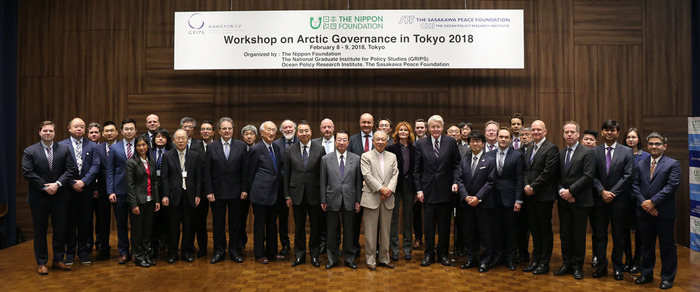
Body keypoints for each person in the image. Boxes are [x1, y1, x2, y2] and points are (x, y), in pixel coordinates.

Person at [22, 121, 76, 275]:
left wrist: (57, 184)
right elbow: (28, 172)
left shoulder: (64, 149)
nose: (48, 133)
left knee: (60, 229)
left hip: (60, 196)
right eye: (45, 131)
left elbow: (70, 170)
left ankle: (58, 259)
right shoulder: (30, 151)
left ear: (54, 133)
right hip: (39, 197)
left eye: (50, 131)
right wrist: (46, 186)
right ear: (39, 132)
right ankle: (42, 262)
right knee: (40, 231)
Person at [631, 132, 680, 290]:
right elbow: (635, 186)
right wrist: (644, 204)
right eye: (651, 144)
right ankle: (646, 273)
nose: (654, 146)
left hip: (663, 213)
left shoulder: (673, 164)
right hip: (644, 213)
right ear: (647, 146)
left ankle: (667, 277)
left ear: (664, 146)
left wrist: (653, 202)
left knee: (667, 246)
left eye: (657, 144)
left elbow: (671, 186)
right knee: (645, 245)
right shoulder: (641, 164)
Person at [414, 115, 461, 267]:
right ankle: (428, 254)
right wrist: (419, 190)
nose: (435, 129)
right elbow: (417, 170)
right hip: (427, 192)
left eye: (438, 127)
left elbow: (457, 165)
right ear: (428, 128)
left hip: (446, 190)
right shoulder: (421, 143)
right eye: (432, 127)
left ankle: (443, 254)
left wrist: (455, 182)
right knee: (428, 226)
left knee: (444, 225)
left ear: (442, 127)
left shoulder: (450, 142)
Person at [592, 120, 634, 280]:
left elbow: (628, 175)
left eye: (613, 130)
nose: (609, 132)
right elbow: (592, 175)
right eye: (606, 130)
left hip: (619, 201)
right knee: (600, 235)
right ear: (602, 132)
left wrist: (612, 193)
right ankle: (602, 266)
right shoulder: (594, 152)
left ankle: (618, 266)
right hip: (600, 200)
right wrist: (602, 191)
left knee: (619, 235)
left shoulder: (626, 151)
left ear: (617, 132)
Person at [554, 121, 595, 280]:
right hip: (564, 200)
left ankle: (577, 266)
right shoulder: (560, 153)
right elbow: (556, 176)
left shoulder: (587, 152)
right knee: (565, 233)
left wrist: (571, 191)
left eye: (572, 132)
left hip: (580, 200)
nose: (569, 134)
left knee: (578, 235)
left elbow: (588, 176)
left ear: (578, 134)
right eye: (566, 132)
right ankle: (566, 263)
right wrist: (561, 191)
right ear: (563, 134)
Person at [205, 118, 248, 264]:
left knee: (235, 223)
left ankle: (235, 251)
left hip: (236, 192)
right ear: (218, 131)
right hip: (217, 192)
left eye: (229, 128)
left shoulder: (241, 146)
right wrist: (209, 191)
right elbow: (207, 171)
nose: (227, 131)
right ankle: (219, 251)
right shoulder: (211, 147)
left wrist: (244, 189)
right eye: (224, 128)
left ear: (233, 129)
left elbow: (245, 171)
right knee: (218, 223)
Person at [283, 121, 324, 267]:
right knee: (299, 227)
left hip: (315, 194)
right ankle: (299, 255)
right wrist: (287, 195)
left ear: (311, 132)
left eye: (306, 130)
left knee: (315, 227)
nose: (304, 133)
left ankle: (314, 256)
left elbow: (322, 174)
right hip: (296, 195)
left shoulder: (320, 149)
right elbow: (286, 174)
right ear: (297, 133)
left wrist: (323, 196)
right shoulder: (290, 150)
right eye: (301, 131)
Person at [60, 118, 100, 266]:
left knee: (85, 221)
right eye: (76, 126)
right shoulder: (61, 145)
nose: (79, 129)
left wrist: (84, 181)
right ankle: (70, 252)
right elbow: (60, 167)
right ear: (69, 128)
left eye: (82, 127)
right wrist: (71, 182)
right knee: (69, 222)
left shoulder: (92, 145)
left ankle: (83, 251)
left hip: (86, 189)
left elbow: (96, 165)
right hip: (68, 190)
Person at [320, 130, 362, 269]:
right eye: (339, 139)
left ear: (348, 142)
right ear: (335, 141)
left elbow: (357, 182)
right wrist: (323, 199)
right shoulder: (326, 159)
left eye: (344, 140)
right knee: (331, 232)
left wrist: (358, 200)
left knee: (349, 231)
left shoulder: (356, 158)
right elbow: (323, 181)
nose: (342, 142)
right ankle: (332, 259)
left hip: (350, 199)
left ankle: (349, 258)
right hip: (332, 199)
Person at [245, 121, 286, 264]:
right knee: (259, 225)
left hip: (275, 193)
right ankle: (259, 254)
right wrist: (248, 191)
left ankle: (272, 252)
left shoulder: (276, 147)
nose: (272, 132)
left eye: (274, 130)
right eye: (269, 130)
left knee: (272, 224)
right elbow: (250, 173)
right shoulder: (256, 149)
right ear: (261, 133)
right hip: (260, 194)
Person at [456, 130, 496, 273]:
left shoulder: (490, 160)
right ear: (469, 143)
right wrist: (466, 196)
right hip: (467, 204)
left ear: (483, 143)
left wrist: (478, 197)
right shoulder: (465, 159)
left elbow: (491, 182)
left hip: (483, 204)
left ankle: (485, 261)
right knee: (469, 233)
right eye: (472, 141)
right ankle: (470, 259)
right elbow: (459, 180)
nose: (475, 143)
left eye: (478, 141)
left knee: (485, 234)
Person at [522, 120, 559, 275]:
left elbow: (548, 172)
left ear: (545, 131)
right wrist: (526, 185)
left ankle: (544, 263)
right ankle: (535, 260)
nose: (535, 132)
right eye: (534, 130)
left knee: (544, 230)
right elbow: (525, 171)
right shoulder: (530, 149)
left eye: (539, 130)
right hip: (530, 196)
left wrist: (533, 187)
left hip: (543, 196)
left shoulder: (551, 148)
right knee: (535, 230)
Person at [161, 129, 202, 263]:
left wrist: (197, 194)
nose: (180, 141)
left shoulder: (194, 156)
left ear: (187, 139)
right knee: (173, 226)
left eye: (183, 138)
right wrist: (165, 195)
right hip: (173, 196)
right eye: (177, 138)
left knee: (189, 226)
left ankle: (187, 252)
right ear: (173, 141)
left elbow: (198, 178)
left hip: (189, 195)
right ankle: (172, 253)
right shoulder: (167, 156)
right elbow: (164, 178)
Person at [360, 130, 398, 270]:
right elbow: (367, 175)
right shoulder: (365, 156)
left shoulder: (392, 157)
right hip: (371, 198)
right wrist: (381, 189)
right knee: (370, 232)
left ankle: (384, 258)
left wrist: (388, 191)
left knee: (386, 231)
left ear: (387, 142)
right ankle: (371, 260)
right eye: (378, 139)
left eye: (383, 139)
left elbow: (395, 175)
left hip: (387, 199)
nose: (380, 142)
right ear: (373, 141)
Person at [489, 127, 523, 271]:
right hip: (492, 198)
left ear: (510, 139)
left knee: (511, 230)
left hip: (510, 199)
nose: (503, 139)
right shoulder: (489, 155)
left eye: (506, 137)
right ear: (496, 138)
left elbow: (519, 179)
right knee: (495, 229)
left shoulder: (517, 155)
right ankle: (497, 257)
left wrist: (519, 200)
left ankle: (510, 258)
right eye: (501, 137)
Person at [106, 118, 139, 264]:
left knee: (136, 223)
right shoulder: (115, 148)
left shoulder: (142, 145)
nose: (129, 131)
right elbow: (110, 171)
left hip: (138, 192)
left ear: (136, 131)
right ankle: (124, 252)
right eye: (126, 129)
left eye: (132, 129)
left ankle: (136, 252)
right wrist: (110, 191)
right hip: (119, 191)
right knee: (121, 224)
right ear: (121, 131)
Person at [126, 136, 161, 267]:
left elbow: (155, 182)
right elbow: (130, 185)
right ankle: (139, 256)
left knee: (147, 230)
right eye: (139, 145)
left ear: (148, 146)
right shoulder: (131, 162)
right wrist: (133, 204)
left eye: (144, 145)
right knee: (137, 232)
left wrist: (156, 199)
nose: (141, 147)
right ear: (135, 147)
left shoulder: (151, 161)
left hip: (150, 200)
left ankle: (146, 255)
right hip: (138, 202)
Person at [387, 121, 416, 261]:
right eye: (401, 130)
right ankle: (394, 249)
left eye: (406, 130)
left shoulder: (415, 149)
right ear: (397, 133)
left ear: (410, 133)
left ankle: (407, 248)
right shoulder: (391, 149)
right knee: (394, 218)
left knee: (408, 218)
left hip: (409, 187)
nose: (403, 132)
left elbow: (417, 171)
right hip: (394, 186)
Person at [623, 127, 651, 274]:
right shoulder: (621, 153)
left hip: (639, 199)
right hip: (623, 199)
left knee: (640, 231)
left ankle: (637, 260)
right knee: (624, 230)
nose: (631, 140)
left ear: (638, 139)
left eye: (633, 137)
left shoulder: (646, 156)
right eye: (628, 137)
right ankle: (627, 260)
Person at [348, 113, 375, 256]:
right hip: (356, 187)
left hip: (375, 187)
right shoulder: (352, 140)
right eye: (363, 122)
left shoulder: (379, 139)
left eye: (368, 122)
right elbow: (349, 163)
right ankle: (354, 248)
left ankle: (374, 248)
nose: (366, 125)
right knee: (355, 221)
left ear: (373, 123)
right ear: (359, 123)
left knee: (373, 221)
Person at [272, 119, 297, 256]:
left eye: (290, 127)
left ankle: (301, 245)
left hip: (299, 186)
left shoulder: (302, 142)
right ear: (281, 131)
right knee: (282, 218)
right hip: (281, 188)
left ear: (295, 128)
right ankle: (285, 243)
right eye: (285, 128)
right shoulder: (276, 144)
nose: (288, 130)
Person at [190, 120, 214, 258]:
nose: (205, 131)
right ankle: (202, 248)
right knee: (199, 221)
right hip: (200, 190)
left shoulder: (218, 146)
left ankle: (219, 248)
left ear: (213, 132)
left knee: (218, 220)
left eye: (208, 129)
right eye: (203, 129)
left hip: (217, 190)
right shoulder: (194, 149)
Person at [94, 121, 117, 261]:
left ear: (117, 132)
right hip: (101, 190)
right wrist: (95, 188)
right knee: (103, 221)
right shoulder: (98, 149)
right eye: (106, 131)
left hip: (120, 189)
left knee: (122, 221)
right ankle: (103, 249)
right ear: (102, 134)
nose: (109, 133)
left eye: (112, 130)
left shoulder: (122, 147)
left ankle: (125, 249)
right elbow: (94, 170)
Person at [412, 118, 427, 249]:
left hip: (430, 184)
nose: (420, 130)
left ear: (425, 129)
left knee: (430, 214)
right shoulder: (412, 143)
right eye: (417, 127)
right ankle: (418, 237)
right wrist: (417, 188)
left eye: (422, 127)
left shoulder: (431, 143)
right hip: (416, 184)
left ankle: (429, 238)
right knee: (416, 214)